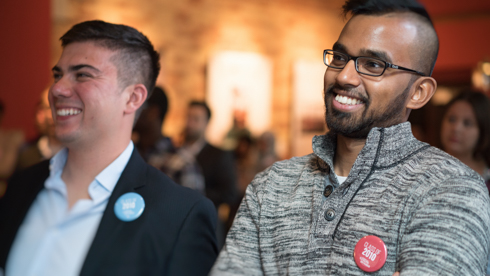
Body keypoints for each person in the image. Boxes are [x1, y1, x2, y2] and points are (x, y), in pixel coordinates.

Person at [211, 0, 490, 275]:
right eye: (340, 57)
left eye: (373, 65)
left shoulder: (452, 189)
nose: (344, 76)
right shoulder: (271, 186)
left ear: (418, 93)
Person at [0, 20, 217, 276]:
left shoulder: (180, 215)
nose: (57, 88)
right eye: (58, 75)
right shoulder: (23, 184)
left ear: (132, 98)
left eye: (82, 74)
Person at [440, 91, 490, 191]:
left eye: (467, 123)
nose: (456, 128)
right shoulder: (423, 167)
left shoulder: (487, 179)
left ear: (483, 130)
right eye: (452, 119)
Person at [16, 88, 63, 170]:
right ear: (41, 113)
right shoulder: (27, 156)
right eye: (49, 108)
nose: (52, 115)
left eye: (58, 108)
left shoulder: (80, 154)